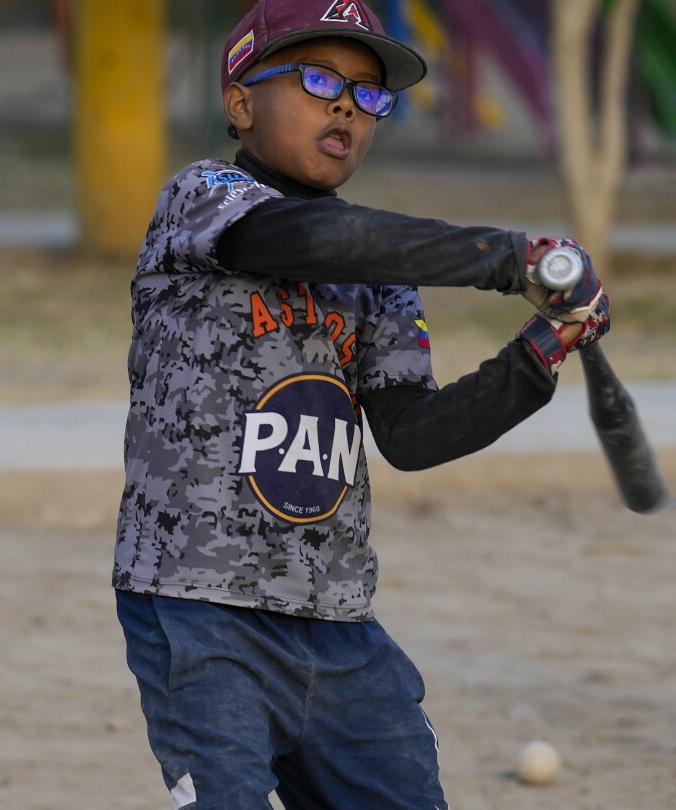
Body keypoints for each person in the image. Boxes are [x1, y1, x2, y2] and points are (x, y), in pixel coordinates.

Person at [111, 1, 608, 807]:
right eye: (316, 79)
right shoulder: (202, 198)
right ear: (240, 102)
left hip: (338, 621)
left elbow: (412, 434)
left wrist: (541, 352)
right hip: (201, 610)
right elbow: (308, 240)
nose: (346, 104)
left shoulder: (378, 270)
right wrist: (509, 256)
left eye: (368, 93)